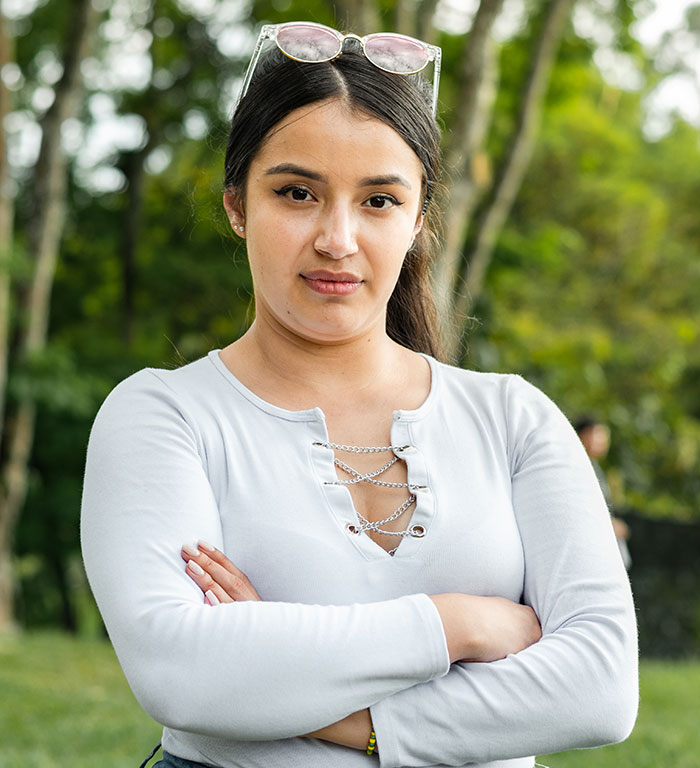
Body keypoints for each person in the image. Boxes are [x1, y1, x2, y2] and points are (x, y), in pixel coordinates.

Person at [81, 21, 638, 768]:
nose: (337, 238)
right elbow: (185, 674)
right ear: (237, 205)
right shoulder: (163, 416)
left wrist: (326, 707)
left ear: (417, 221)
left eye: (378, 201)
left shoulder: (513, 418)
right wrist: (458, 625)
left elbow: (599, 688)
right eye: (297, 192)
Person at [574, 415, 632, 570]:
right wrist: (608, 525)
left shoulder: (595, 467)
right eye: (598, 434)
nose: (603, 441)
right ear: (582, 435)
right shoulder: (577, 466)